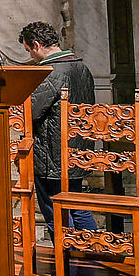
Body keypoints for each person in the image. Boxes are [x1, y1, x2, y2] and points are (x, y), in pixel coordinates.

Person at [20, 20, 96, 250]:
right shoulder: (82, 67)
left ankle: (67, 257)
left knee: (54, 209)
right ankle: (92, 253)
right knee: (77, 204)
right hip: (78, 151)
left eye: (29, 50)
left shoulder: (51, 72)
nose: (31, 56)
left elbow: (30, 112)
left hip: (51, 154)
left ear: (36, 44)